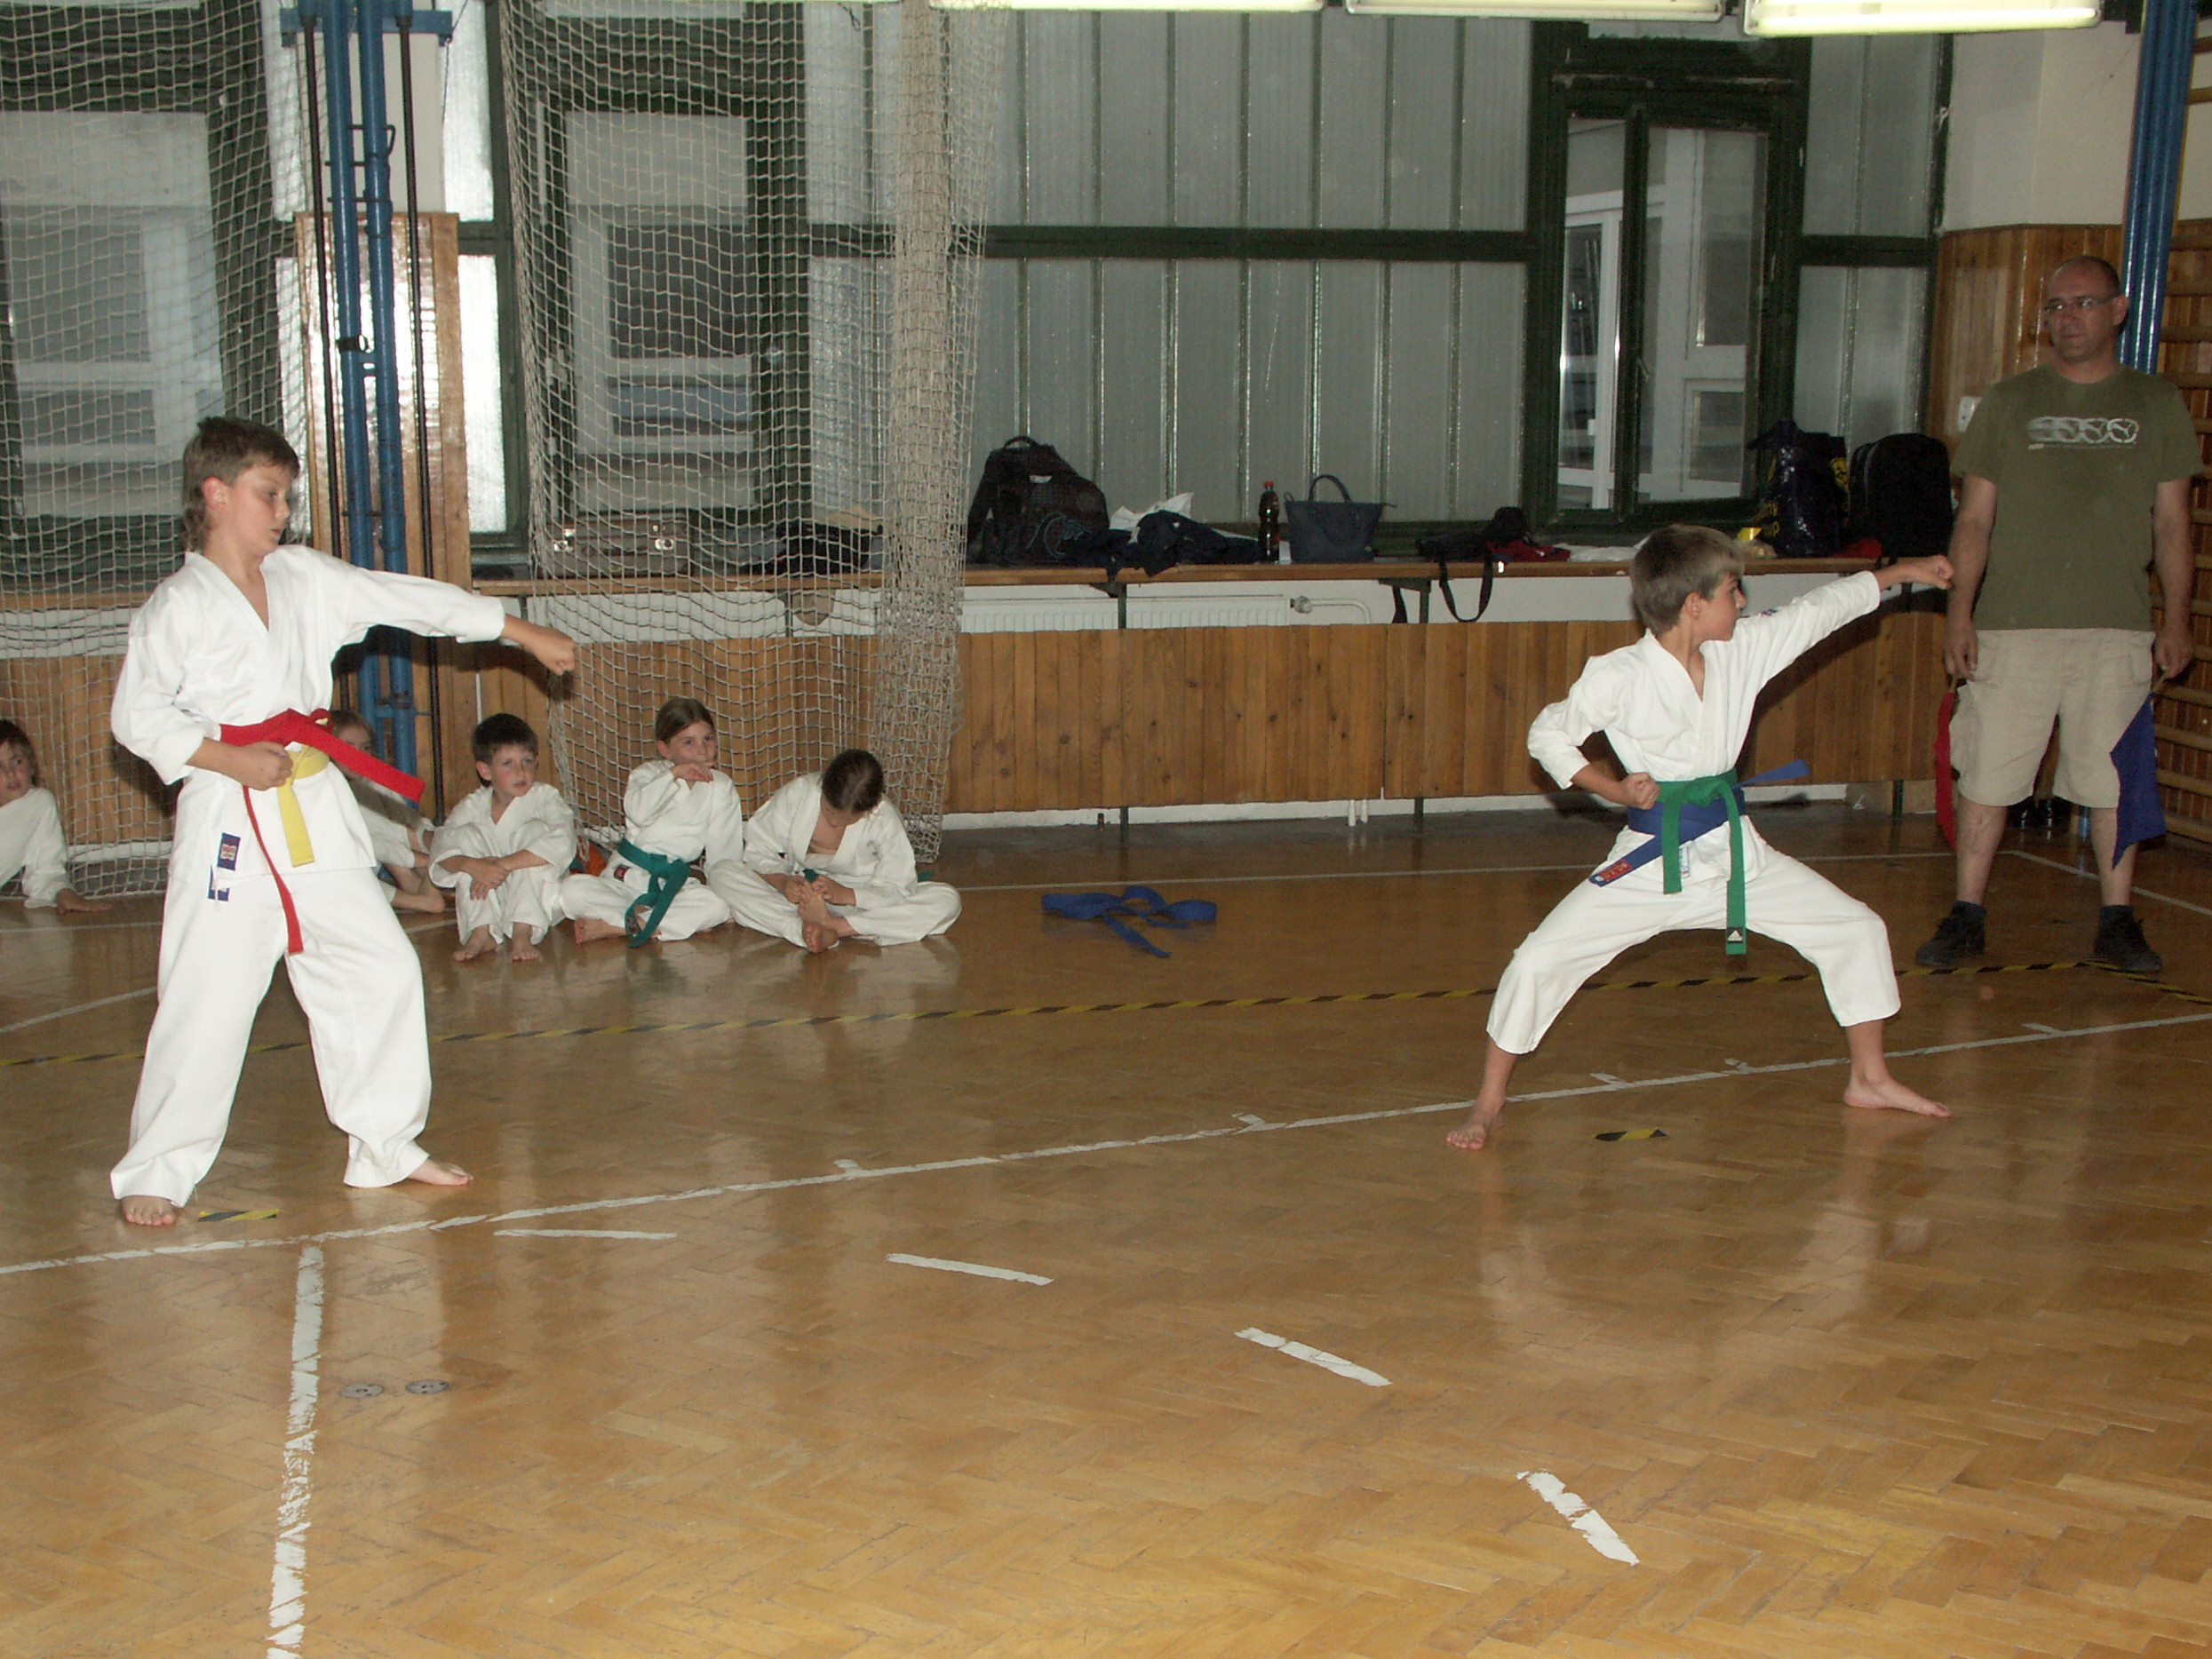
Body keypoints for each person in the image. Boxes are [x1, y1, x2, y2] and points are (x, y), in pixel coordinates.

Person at [108, 415, 577, 1227]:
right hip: (228, 813)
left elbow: (403, 599)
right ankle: (157, 1169)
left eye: (286, 496)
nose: (282, 510)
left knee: (379, 968)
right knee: (206, 996)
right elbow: (135, 717)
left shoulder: (302, 578)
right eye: (268, 494)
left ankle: (384, 1144)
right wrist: (226, 758)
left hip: (312, 804)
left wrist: (514, 628)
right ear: (216, 494)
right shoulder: (178, 606)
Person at [1447, 527, 1954, 1154]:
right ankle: (1489, 1102)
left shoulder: (1743, 651)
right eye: (1732, 591)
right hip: (1649, 862)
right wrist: (1612, 788)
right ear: (1694, 604)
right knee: (1537, 961)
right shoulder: (1620, 674)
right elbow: (1549, 734)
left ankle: (1870, 1078)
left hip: (1737, 855)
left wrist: (1902, 573)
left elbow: (1821, 610)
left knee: (1856, 929)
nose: (1741, 602)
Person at [1917, 254, 2201, 975]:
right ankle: (1967, 914)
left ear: (2119, 310)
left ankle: (2117, 919)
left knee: (2112, 784)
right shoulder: (2010, 402)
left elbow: (2174, 523)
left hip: (2117, 628)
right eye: (2054, 307)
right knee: (1987, 777)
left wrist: (2176, 620)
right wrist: (1960, 614)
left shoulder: (2156, 403)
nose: (2066, 319)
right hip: (2012, 627)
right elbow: (1973, 520)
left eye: (2082, 304)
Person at [710, 747, 960, 953]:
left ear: (869, 809)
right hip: (799, 900)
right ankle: (802, 929)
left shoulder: (883, 818)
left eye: (846, 820)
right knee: (722, 873)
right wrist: (783, 882)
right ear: (823, 786)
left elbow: (898, 886)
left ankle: (836, 928)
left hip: (862, 900)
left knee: (946, 899)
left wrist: (847, 895)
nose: (833, 822)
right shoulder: (800, 794)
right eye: (829, 810)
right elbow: (758, 849)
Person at [559, 696, 740, 946]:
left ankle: (619, 926)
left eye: (708, 738)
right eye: (688, 742)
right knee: (570, 890)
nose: (702, 749)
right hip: (626, 876)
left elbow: (724, 855)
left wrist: (726, 896)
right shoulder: (648, 775)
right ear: (665, 749)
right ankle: (656, 923)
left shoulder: (721, 786)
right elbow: (638, 812)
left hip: (672, 885)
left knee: (715, 905)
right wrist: (674, 775)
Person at [428, 712, 577, 964]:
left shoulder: (545, 798)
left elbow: (562, 841)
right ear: (485, 771)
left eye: (527, 761)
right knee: (465, 836)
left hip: (541, 898)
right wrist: (472, 865)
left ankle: (522, 932)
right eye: (508, 763)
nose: (521, 771)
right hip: (493, 894)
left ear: (537, 762)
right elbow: (442, 846)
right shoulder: (474, 805)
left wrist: (502, 865)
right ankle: (481, 930)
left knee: (535, 831)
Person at [326, 709, 443, 916]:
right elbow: (368, 842)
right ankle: (419, 893)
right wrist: (418, 858)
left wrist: (423, 835)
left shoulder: (373, 782)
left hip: (395, 856)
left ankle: (412, 874)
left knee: (395, 821)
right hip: (344, 870)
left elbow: (406, 817)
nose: (359, 755)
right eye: (348, 747)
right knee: (345, 878)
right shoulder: (325, 790)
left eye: (366, 747)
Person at [0, 718, 108, 916]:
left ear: (32, 764)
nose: (10, 773)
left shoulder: (38, 805)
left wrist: (62, 892)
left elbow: (45, 869)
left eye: (17, 762)